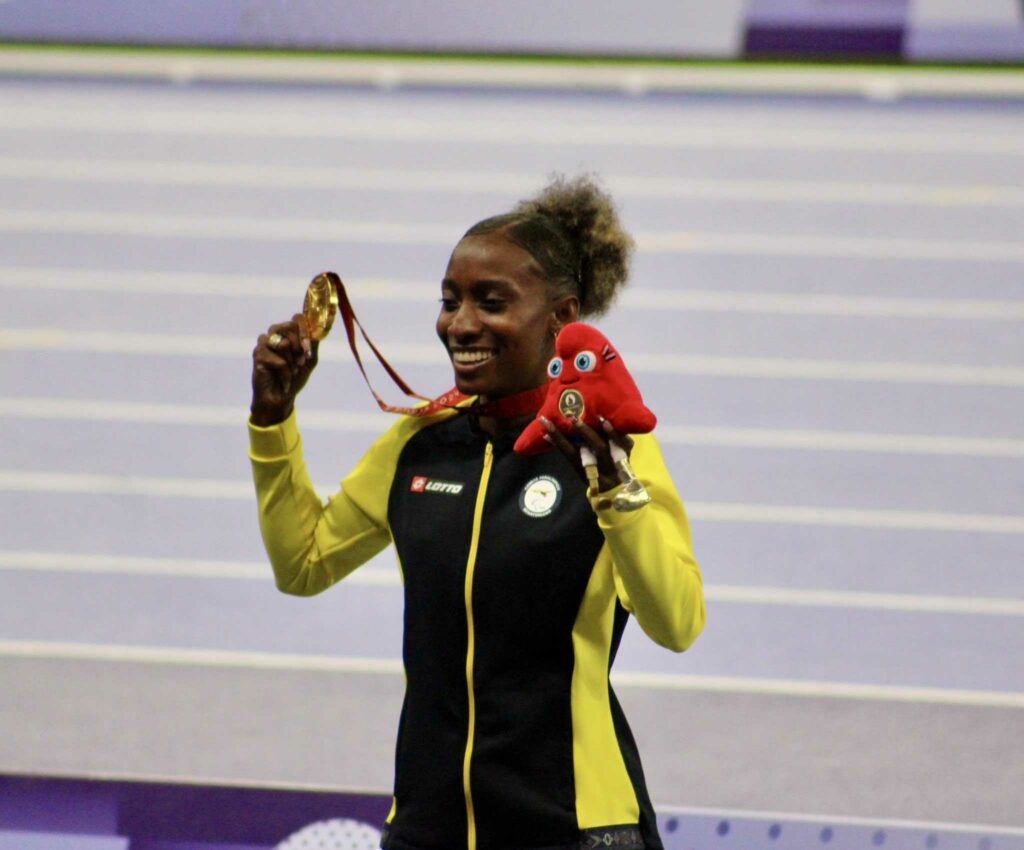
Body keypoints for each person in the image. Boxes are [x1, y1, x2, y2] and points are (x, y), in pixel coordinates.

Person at [248, 175, 706, 850]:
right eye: (450, 301)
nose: (460, 324)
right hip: (428, 827)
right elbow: (304, 562)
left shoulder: (613, 446)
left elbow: (677, 623)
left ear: (561, 317)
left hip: (571, 828)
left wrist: (613, 486)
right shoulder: (421, 442)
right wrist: (272, 419)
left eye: (491, 302)